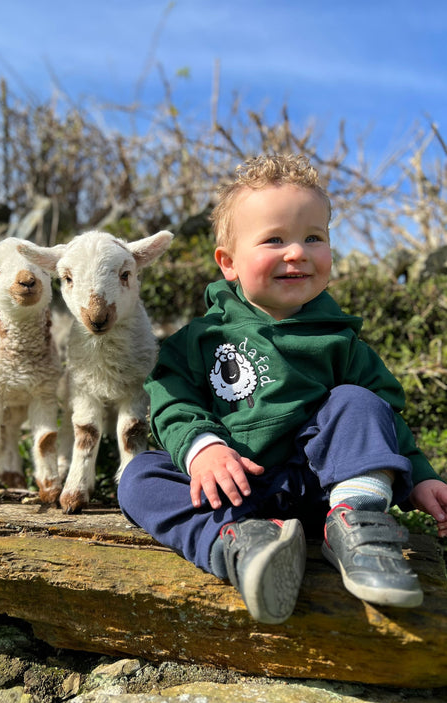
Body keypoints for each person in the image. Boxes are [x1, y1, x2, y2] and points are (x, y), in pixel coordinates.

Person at [117, 154, 447, 624]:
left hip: (324, 488)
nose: (297, 252)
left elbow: (385, 418)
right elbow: (172, 399)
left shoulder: (341, 340)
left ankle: (359, 531)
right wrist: (203, 449)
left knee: (357, 400)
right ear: (228, 263)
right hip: (235, 494)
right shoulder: (201, 339)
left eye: (314, 237)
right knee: (138, 478)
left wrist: (421, 473)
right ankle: (238, 546)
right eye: (275, 239)